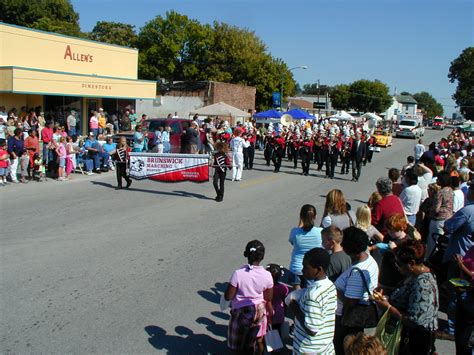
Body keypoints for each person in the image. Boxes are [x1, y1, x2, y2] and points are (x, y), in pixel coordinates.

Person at [372, 240, 439, 355]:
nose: (396, 266)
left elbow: (415, 321)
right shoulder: (414, 274)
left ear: (412, 263)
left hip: (416, 341)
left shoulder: (423, 284)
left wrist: (388, 307)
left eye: (399, 263)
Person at [334, 227, 379, 355]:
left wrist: (335, 290)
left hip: (348, 319)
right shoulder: (370, 260)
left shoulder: (356, 274)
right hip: (358, 317)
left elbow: (351, 301)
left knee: (344, 348)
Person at [224, 240, 273, 355]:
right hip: (259, 310)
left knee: (236, 346)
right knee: (251, 342)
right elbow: (269, 297)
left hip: (241, 312)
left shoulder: (238, 273)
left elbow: (228, 296)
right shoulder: (267, 275)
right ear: (263, 256)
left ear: (245, 254)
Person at [288, 248, 337, 354]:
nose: (302, 270)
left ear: (318, 270)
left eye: (306, 267)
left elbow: (312, 329)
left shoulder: (313, 296)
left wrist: (295, 308)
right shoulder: (330, 286)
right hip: (325, 346)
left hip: (309, 349)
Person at [288, 204, 323, 289]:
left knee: (297, 294)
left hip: (296, 267)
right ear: (315, 217)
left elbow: (293, 242)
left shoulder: (295, 232)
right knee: (310, 292)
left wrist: (301, 222)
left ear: (301, 217)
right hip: (312, 268)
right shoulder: (320, 232)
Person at [426, 171, 454, 259]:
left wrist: (429, 211)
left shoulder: (440, 192)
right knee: (442, 241)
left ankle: (432, 259)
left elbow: (436, 209)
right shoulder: (450, 190)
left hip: (438, 220)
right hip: (448, 218)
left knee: (433, 242)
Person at [266, 264, 289, 336]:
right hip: (279, 311)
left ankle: (265, 342)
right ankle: (276, 343)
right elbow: (285, 301)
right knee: (277, 329)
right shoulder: (284, 288)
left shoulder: (264, 287)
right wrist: (285, 312)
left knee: (266, 329)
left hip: (267, 309)